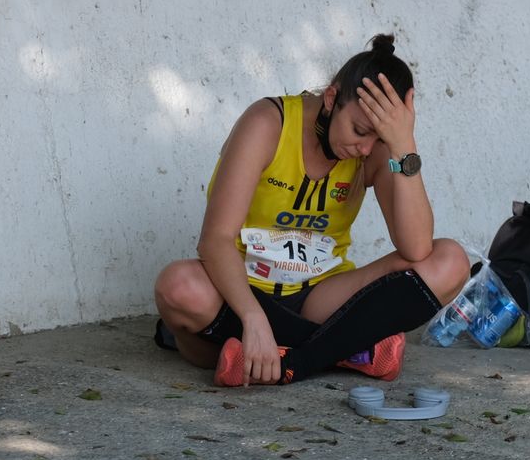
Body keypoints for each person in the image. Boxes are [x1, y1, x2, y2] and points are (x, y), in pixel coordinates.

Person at [153, 34, 469, 386]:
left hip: (321, 295)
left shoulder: (377, 151)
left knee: (451, 260)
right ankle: (346, 349)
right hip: (241, 293)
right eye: (359, 130)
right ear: (332, 98)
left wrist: (403, 147)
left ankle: (294, 362)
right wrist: (253, 318)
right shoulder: (267, 124)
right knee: (178, 285)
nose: (364, 148)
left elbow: (416, 249)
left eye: (378, 138)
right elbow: (215, 241)